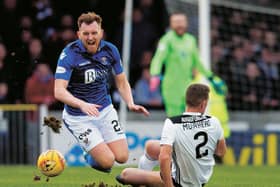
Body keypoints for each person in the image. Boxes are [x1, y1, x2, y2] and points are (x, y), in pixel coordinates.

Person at [54, 12, 149, 173]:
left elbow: (121, 81)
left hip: (104, 110)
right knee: (107, 162)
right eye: (86, 34)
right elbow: (58, 91)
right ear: (78, 34)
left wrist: (130, 103)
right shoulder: (69, 54)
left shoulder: (110, 50)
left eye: (94, 33)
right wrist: (81, 104)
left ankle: (94, 148)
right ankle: (88, 153)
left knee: (122, 157)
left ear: (101, 33)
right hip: (78, 116)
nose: (90, 37)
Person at [116, 83, 227, 186]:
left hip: (181, 182)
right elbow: (221, 152)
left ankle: (145, 181)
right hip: (196, 171)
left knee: (126, 174)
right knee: (150, 146)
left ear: (186, 101)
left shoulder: (173, 122)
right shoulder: (214, 121)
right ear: (203, 104)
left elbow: (164, 157)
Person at [149, 12, 224, 117]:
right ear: (171, 24)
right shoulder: (167, 40)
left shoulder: (190, 40)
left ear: (186, 23)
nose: (179, 25)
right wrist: (154, 74)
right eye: (176, 22)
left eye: (181, 22)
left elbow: (197, 62)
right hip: (172, 88)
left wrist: (210, 77)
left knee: (190, 121)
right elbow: (158, 58)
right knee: (175, 121)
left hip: (188, 88)